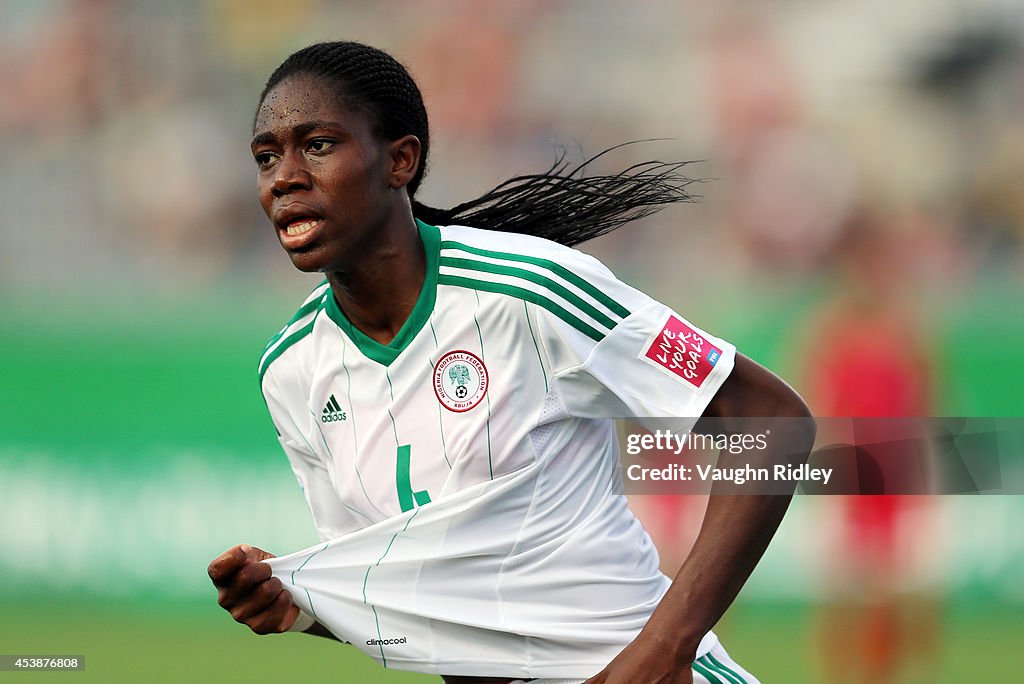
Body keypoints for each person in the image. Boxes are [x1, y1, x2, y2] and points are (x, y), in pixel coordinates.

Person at [207, 41, 815, 684]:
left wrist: (667, 648)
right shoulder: (291, 370)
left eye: (319, 145)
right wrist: (300, 603)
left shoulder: (531, 290)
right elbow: (403, 596)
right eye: (266, 157)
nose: (285, 177)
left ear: (400, 160)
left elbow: (772, 420)